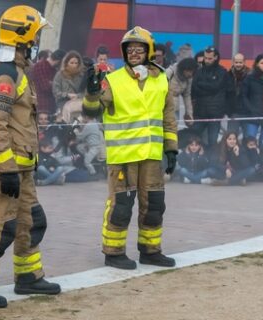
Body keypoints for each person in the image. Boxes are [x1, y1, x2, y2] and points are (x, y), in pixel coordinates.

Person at [0, 5, 61, 308]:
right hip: (5, 168)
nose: (37, 44)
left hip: (22, 167)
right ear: (24, 39)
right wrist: (7, 168)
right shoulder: (6, 73)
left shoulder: (18, 70)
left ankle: (28, 277)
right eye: (35, 38)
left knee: (31, 221)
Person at [82, 26, 178, 270]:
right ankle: (113, 253)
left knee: (155, 204)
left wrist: (172, 149)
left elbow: (168, 117)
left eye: (139, 49)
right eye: (129, 49)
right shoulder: (112, 80)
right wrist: (91, 92)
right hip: (123, 157)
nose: (134, 53)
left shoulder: (162, 81)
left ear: (149, 51)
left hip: (152, 156)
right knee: (121, 206)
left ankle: (150, 251)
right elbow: (91, 110)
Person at [191, 46, 233, 148]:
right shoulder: (199, 71)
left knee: (212, 141)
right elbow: (194, 89)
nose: (207, 60)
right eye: (205, 58)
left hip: (215, 113)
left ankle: (212, 162)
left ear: (216, 58)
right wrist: (210, 88)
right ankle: (194, 160)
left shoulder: (222, 72)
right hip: (200, 112)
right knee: (193, 138)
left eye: (210, 58)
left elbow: (217, 87)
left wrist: (203, 85)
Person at [53, 50, 85, 123]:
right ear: (66, 63)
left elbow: (85, 92)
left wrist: (77, 96)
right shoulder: (60, 75)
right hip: (63, 106)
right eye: (72, 63)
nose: (74, 65)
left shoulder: (82, 76)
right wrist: (67, 95)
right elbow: (55, 91)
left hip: (79, 106)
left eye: (76, 63)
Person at [30, 49, 64, 115]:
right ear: (59, 61)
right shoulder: (41, 66)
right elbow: (45, 86)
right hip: (41, 107)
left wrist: (52, 83)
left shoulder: (54, 70)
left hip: (50, 107)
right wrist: (56, 84)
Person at [168, 57, 197, 126]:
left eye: (192, 72)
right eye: (188, 71)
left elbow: (187, 96)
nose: (190, 74)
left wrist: (189, 114)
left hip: (175, 107)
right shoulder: (169, 72)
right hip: (163, 107)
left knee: (173, 129)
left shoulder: (189, 78)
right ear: (183, 69)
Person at [227, 53, 251, 135]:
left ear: (244, 62)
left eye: (240, 62)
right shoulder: (228, 75)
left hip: (248, 112)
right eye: (236, 62)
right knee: (231, 136)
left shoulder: (251, 75)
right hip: (234, 112)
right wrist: (228, 110)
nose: (238, 64)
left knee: (248, 138)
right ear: (233, 62)